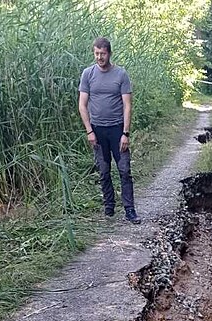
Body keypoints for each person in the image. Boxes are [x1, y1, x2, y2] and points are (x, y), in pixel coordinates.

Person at [78, 37, 141, 224]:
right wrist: (89, 131)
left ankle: (130, 210)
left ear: (109, 53)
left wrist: (125, 133)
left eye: (102, 54)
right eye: (96, 54)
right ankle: (109, 207)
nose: (99, 57)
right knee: (103, 171)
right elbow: (82, 105)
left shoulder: (121, 74)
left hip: (117, 130)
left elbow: (127, 106)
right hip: (97, 131)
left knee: (124, 170)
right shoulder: (87, 74)